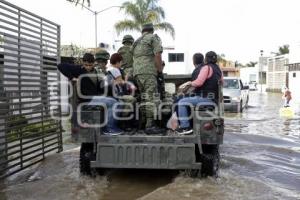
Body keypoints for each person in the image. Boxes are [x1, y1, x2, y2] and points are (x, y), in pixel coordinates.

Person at [57, 52, 122, 135]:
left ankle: (109, 127)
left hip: (94, 98)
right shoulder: (78, 69)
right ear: (83, 63)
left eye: (90, 65)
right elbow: (61, 66)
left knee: (116, 101)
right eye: (86, 65)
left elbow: (100, 87)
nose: (87, 67)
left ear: (93, 64)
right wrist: (72, 78)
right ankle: (109, 128)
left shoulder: (96, 72)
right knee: (113, 103)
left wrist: (109, 85)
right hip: (86, 100)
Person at [176, 51, 223, 135]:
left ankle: (185, 127)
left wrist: (188, 83)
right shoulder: (219, 69)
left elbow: (199, 82)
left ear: (206, 59)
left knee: (181, 102)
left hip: (206, 98)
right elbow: (222, 83)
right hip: (214, 99)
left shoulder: (206, 68)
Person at [132, 23, 164, 134]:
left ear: (143, 31)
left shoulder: (136, 42)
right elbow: (158, 55)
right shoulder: (153, 37)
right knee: (151, 97)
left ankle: (143, 122)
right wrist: (160, 71)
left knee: (144, 97)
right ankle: (150, 126)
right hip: (148, 71)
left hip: (137, 73)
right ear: (151, 30)